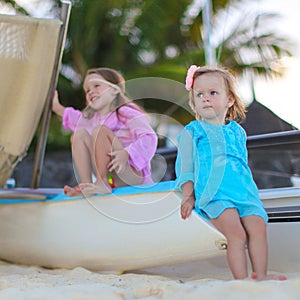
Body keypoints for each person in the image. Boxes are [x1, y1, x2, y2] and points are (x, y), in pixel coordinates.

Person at [175, 65, 287, 281]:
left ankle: (260, 275)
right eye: (199, 94)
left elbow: (242, 164)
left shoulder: (237, 131)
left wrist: (250, 192)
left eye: (213, 93)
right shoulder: (193, 131)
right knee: (237, 234)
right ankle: (241, 281)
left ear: (229, 100)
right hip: (214, 194)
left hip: (245, 193)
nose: (205, 98)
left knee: (258, 227)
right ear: (194, 102)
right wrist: (188, 196)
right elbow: (185, 167)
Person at [52, 67, 158, 196]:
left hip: (132, 173)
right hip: (112, 177)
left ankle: (102, 182)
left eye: (96, 86)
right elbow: (76, 118)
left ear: (114, 89)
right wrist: (56, 107)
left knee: (100, 131)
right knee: (79, 134)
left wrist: (127, 153)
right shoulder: (93, 119)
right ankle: (87, 186)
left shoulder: (125, 112)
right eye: (87, 90)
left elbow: (149, 137)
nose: (91, 92)